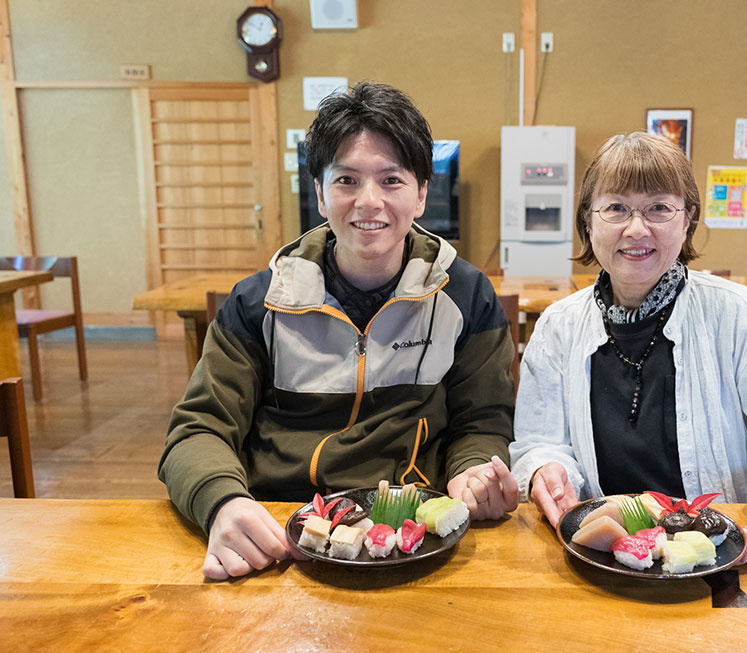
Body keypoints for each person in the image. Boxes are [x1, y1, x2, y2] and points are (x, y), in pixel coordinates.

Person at [160, 82, 519, 580]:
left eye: (391, 180)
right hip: (280, 530)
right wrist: (223, 502)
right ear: (320, 193)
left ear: (421, 194)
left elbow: (483, 422)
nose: (369, 201)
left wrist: (473, 471)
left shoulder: (465, 295)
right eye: (347, 180)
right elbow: (197, 429)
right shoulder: (258, 302)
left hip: (413, 538)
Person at [509, 132, 747, 562]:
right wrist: (547, 469)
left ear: (688, 220)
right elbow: (540, 442)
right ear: (588, 221)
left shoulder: (734, 314)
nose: (636, 228)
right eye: (616, 208)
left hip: (719, 558)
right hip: (601, 560)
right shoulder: (557, 328)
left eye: (659, 208)